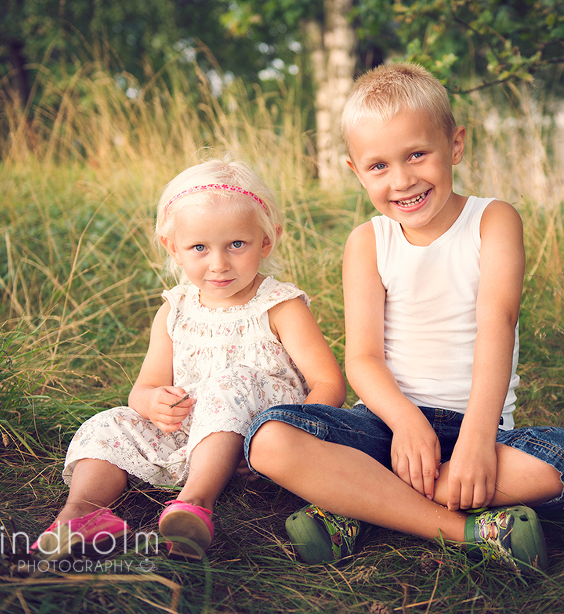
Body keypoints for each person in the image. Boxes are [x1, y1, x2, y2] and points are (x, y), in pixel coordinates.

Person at [244, 63, 564, 575]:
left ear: (455, 145)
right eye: (379, 166)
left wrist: (476, 442)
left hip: (476, 430)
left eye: (416, 154)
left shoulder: (493, 220)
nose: (403, 180)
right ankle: (466, 529)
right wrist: (406, 423)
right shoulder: (368, 243)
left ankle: (361, 506)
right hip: (384, 426)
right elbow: (362, 359)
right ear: (356, 171)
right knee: (269, 439)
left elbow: (497, 322)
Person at [31, 159, 346, 561]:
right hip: (192, 434)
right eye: (200, 247)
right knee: (108, 423)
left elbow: (329, 383)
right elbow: (142, 388)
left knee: (231, 382)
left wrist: (296, 435)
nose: (218, 263)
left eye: (236, 244)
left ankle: (195, 502)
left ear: (266, 241)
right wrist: (153, 403)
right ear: (173, 248)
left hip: (264, 438)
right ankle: (81, 514)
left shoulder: (278, 306)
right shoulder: (176, 308)